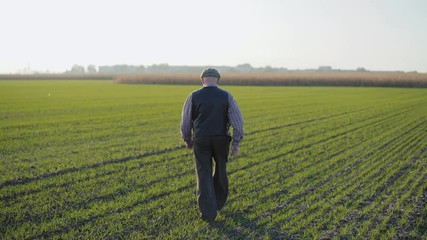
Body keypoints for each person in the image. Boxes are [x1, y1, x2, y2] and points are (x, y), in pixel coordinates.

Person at [180, 68, 244, 223]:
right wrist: (235, 143)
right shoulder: (226, 96)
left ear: (202, 80)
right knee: (221, 169)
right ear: (218, 80)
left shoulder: (193, 96)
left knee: (203, 173)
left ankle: (208, 213)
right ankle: (219, 203)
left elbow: (185, 121)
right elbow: (238, 123)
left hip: (201, 139)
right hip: (222, 139)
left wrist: (188, 139)